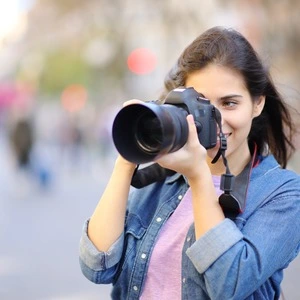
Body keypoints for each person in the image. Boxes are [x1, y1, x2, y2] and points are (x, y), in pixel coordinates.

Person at [79, 26, 300, 299]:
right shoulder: (162, 179)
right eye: (202, 105)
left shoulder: (284, 193)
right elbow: (96, 266)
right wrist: (128, 160)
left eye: (229, 103)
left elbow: (228, 285)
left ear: (257, 104)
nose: (215, 120)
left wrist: (199, 177)